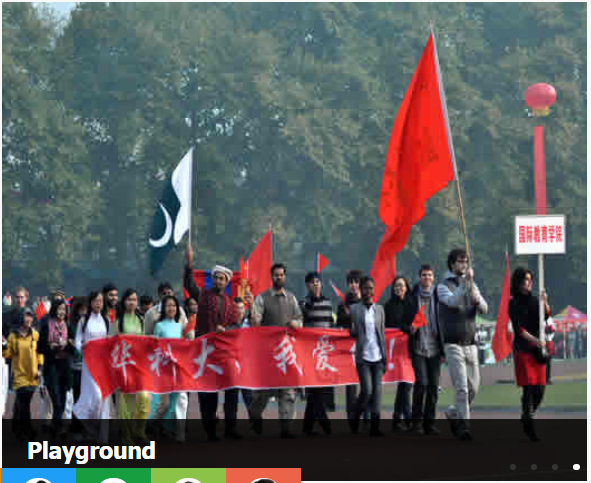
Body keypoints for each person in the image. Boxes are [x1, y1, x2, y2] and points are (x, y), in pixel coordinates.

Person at [247, 263, 303, 439]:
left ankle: (286, 427)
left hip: (287, 352)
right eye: (276, 275)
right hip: (267, 354)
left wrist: (296, 324)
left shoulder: (292, 299)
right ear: (271, 277)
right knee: (263, 392)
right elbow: (255, 323)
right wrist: (251, 306)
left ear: (285, 277)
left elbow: (300, 319)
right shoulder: (262, 298)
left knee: (288, 392)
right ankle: (254, 414)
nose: (279, 277)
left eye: (281, 275)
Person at [437, 248, 488, 441]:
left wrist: (477, 300)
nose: (463, 265)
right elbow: (452, 302)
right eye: (460, 261)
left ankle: (453, 412)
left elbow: (484, 308)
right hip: (453, 344)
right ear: (452, 264)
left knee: (474, 387)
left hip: (471, 342)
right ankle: (464, 427)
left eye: (465, 262)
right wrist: (465, 285)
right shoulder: (443, 286)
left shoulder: (473, 285)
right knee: (462, 388)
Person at [196, 264, 238, 441]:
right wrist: (188, 266)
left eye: (222, 279)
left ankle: (230, 428)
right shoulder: (203, 295)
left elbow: (235, 325)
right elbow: (189, 285)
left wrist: (225, 330)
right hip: (206, 351)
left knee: (232, 389)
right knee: (209, 393)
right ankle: (210, 430)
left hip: (225, 351)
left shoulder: (230, 302)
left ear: (226, 282)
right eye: (216, 278)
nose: (218, 281)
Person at [508, 267, 551, 442]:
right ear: (518, 282)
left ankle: (527, 414)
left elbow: (546, 315)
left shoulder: (535, 300)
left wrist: (545, 301)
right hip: (523, 349)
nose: (529, 283)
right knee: (529, 388)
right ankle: (530, 424)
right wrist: (535, 340)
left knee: (540, 390)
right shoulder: (513, 303)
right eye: (526, 279)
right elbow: (519, 329)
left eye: (530, 279)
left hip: (537, 351)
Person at [349, 276, 386, 437]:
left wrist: (384, 358)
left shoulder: (380, 310)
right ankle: (355, 416)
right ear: (361, 290)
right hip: (363, 358)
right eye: (365, 288)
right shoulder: (354, 309)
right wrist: (352, 329)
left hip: (378, 358)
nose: (368, 291)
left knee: (377, 393)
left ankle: (375, 427)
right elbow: (351, 330)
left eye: (371, 288)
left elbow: (382, 334)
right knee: (367, 391)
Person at [72, 291, 110, 442]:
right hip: (89, 363)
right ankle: (87, 423)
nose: (98, 304)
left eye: (101, 301)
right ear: (91, 303)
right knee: (94, 395)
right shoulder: (84, 320)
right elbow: (77, 340)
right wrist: (81, 347)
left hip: (103, 363)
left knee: (102, 397)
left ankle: (98, 432)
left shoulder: (106, 320)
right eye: (96, 301)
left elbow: (109, 340)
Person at [113, 288, 150, 444]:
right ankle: (126, 437)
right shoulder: (119, 321)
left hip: (139, 365)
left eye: (134, 299)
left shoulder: (141, 320)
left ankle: (139, 431)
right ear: (124, 302)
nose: (132, 302)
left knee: (144, 399)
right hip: (123, 366)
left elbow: (144, 342)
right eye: (129, 299)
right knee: (125, 403)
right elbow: (112, 344)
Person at [410, 264, 443, 435]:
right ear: (419, 277)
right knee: (421, 383)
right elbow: (404, 320)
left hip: (435, 347)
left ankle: (429, 423)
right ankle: (416, 422)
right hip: (418, 347)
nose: (427, 278)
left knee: (433, 387)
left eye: (430, 275)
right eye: (424, 275)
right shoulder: (412, 298)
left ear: (433, 277)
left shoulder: (439, 297)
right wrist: (409, 328)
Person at [300, 271, 334, 436]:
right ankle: (325, 424)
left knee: (316, 391)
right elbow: (300, 325)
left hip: (324, 353)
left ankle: (307, 428)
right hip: (309, 353)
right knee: (315, 389)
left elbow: (330, 325)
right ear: (307, 285)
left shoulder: (328, 303)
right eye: (313, 282)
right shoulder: (303, 303)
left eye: (318, 281)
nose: (316, 284)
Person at [2, 308, 43, 440]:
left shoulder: (35, 334)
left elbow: (40, 353)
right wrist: (4, 344)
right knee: (24, 404)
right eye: (26, 316)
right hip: (19, 375)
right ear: (21, 318)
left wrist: (40, 368)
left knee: (23, 403)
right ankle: (29, 431)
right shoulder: (13, 336)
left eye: (30, 316)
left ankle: (17, 428)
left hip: (33, 374)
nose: (29, 319)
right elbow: (7, 354)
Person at [336, 269, 369, 424]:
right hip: (349, 351)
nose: (354, 285)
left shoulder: (368, 301)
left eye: (356, 282)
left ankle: (365, 415)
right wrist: (347, 317)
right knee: (351, 386)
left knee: (367, 386)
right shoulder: (343, 304)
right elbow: (338, 325)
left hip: (366, 349)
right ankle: (351, 419)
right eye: (351, 282)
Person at [150, 295, 185, 442]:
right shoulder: (159, 326)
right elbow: (154, 348)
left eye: (174, 305)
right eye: (168, 305)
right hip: (163, 369)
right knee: (163, 403)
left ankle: (167, 429)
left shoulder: (179, 326)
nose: (171, 308)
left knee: (175, 401)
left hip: (176, 369)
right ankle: (151, 425)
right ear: (163, 308)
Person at [38, 299, 73, 438]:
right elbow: (39, 348)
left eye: (64, 309)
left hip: (64, 366)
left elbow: (73, 347)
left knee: (62, 402)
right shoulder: (47, 325)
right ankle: (58, 430)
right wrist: (50, 346)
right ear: (54, 310)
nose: (62, 312)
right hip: (51, 366)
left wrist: (68, 344)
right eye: (59, 309)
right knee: (56, 401)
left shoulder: (68, 325)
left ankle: (55, 429)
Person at [384, 276, 416, 431]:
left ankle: (397, 419)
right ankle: (408, 419)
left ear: (406, 287)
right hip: (396, 349)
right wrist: (403, 328)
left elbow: (416, 323)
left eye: (402, 285)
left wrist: (411, 329)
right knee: (405, 383)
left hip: (410, 349)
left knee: (406, 384)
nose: (399, 288)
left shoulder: (412, 304)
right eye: (396, 286)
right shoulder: (388, 306)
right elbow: (387, 326)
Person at [222, 297, 252, 439]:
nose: (238, 311)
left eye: (240, 308)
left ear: (244, 309)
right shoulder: (227, 326)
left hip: (246, 367)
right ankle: (230, 428)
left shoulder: (249, 324)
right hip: (231, 367)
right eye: (235, 308)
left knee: (249, 396)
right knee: (231, 399)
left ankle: (255, 421)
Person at [68, 297, 88, 404]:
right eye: (81, 309)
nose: (84, 312)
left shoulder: (89, 323)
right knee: (76, 395)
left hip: (88, 365)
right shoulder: (71, 324)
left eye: (85, 309)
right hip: (75, 365)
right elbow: (69, 340)